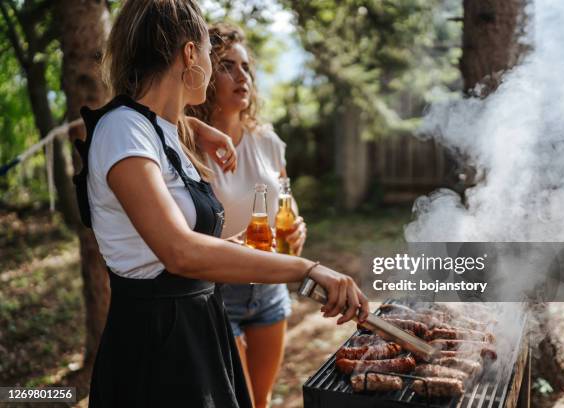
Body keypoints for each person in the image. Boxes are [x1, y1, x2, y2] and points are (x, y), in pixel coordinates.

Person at [74, 1, 368, 407]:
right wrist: (308, 269)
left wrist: (257, 253)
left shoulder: (159, 131)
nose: (215, 69)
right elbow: (179, 252)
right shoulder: (124, 131)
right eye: (213, 57)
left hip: (198, 325)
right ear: (190, 54)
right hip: (157, 343)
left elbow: (189, 243)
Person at [187, 23, 305, 408]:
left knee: (262, 401)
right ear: (204, 74)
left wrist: (298, 226)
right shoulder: (187, 146)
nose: (242, 77)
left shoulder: (267, 141)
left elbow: (285, 200)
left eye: (246, 67)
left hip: (270, 286)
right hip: (218, 291)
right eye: (227, 66)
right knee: (237, 402)